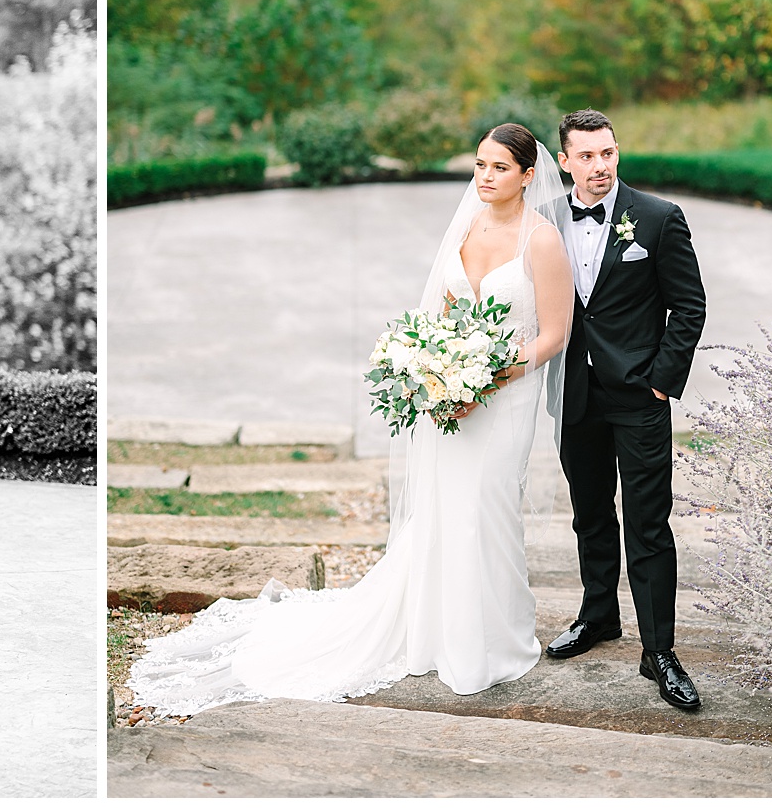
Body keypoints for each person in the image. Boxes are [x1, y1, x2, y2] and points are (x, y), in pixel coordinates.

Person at [128, 124, 574, 713]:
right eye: (479, 164)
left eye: (497, 168)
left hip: (505, 400)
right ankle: (433, 635)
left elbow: (554, 334)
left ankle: (490, 641)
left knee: (487, 511)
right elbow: (440, 313)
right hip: (451, 397)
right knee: (443, 512)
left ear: (526, 175)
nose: (484, 177)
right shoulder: (465, 224)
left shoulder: (540, 241)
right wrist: (434, 369)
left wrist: (491, 376)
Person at [545, 108, 707, 712]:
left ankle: (660, 652)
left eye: (607, 153)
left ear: (617, 152)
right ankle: (598, 617)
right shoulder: (544, 221)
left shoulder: (661, 219)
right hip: (576, 396)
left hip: (639, 398)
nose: (599, 166)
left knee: (647, 522)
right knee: (589, 513)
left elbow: (689, 306)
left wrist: (661, 383)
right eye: (585, 156)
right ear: (565, 161)